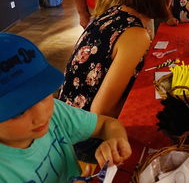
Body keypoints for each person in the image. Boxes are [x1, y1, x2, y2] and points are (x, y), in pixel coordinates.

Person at [58, 0, 175, 162]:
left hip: (65, 121)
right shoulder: (136, 34)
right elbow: (100, 111)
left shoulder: (115, 11)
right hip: (83, 136)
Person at [0, 33, 132, 183]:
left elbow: (107, 124)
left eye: (43, 96)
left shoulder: (56, 112)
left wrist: (116, 139)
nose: (42, 116)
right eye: (19, 112)